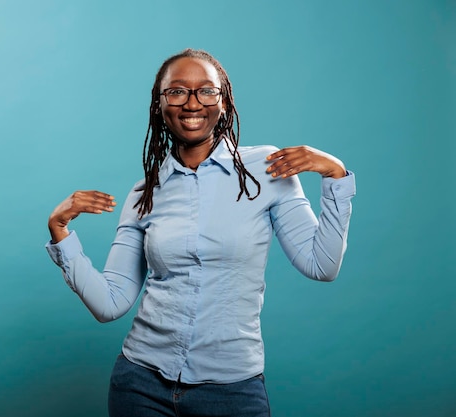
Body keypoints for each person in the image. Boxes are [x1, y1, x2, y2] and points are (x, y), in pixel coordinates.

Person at [45, 48, 355, 417]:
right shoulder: (144, 194)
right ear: (159, 105)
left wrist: (335, 176)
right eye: (176, 91)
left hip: (232, 391)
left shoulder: (267, 170)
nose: (192, 103)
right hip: (140, 386)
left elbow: (322, 265)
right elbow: (110, 304)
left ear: (223, 102)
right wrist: (60, 230)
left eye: (206, 91)